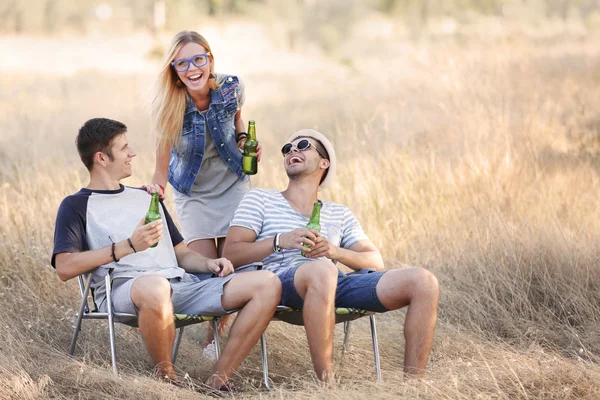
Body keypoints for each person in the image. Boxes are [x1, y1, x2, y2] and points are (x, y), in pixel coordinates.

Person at [52, 118, 280, 391]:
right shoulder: (76, 205)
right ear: (101, 158)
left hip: (180, 286)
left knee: (267, 282)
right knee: (155, 286)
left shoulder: (147, 197)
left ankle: (218, 381)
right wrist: (128, 246)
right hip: (125, 289)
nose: (132, 153)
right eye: (125, 148)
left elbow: (181, 253)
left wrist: (209, 262)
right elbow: (64, 267)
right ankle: (168, 382)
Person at [223, 129, 440, 381]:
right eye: (287, 148)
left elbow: (374, 261)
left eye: (303, 145)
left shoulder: (339, 213)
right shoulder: (260, 198)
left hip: (332, 283)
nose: (292, 150)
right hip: (279, 282)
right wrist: (280, 241)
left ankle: (414, 386)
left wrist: (334, 251)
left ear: (324, 163)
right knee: (322, 270)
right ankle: (328, 385)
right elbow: (232, 253)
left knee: (424, 281)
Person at [146, 30, 260, 350]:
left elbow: (239, 122)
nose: (192, 68)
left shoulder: (231, 87)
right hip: (192, 192)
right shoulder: (167, 107)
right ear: (175, 71)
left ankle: (214, 343)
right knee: (208, 272)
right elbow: (160, 166)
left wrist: (244, 141)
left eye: (198, 59)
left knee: (233, 265)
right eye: (182, 64)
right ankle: (209, 335)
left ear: (210, 60)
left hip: (232, 184)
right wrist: (155, 191)